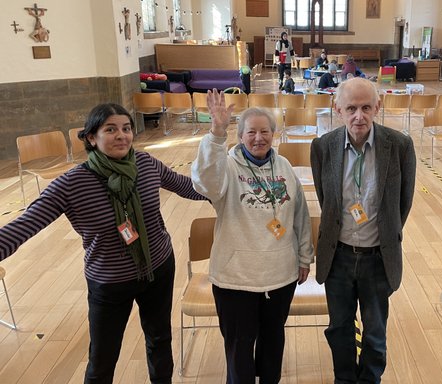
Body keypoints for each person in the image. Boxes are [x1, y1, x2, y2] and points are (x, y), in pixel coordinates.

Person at [0, 103, 208, 383]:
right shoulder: (72, 183)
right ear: (91, 138)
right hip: (109, 282)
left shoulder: (145, 164)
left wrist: (229, 193)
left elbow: (187, 186)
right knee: (102, 358)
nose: (121, 135)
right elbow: (26, 224)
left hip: (158, 267)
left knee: (159, 339)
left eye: (126, 128)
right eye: (110, 129)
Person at [191, 90, 314, 384]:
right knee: (239, 349)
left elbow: (300, 215)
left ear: (274, 134)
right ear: (240, 134)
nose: (258, 138)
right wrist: (216, 133)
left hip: (280, 274)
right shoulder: (227, 166)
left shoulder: (284, 167)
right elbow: (205, 183)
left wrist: (304, 256)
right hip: (236, 278)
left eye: (265, 131)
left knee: (272, 346)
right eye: (251, 132)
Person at [310, 77, 416, 383]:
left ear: (377, 107)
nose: (359, 116)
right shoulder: (323, 147)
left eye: (366, 107)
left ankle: (370, 379)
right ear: (338, 109)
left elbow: (403, 203)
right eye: (352, 108)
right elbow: (326, 199)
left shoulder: (399, 145)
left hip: (377, 259)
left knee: (375, 332)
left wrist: (385, 238)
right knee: (339, 328)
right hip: (338, 258)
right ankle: (344, 379)